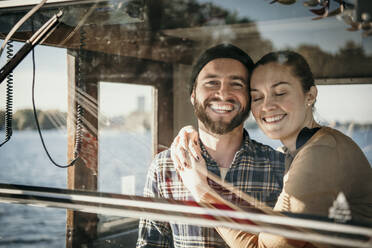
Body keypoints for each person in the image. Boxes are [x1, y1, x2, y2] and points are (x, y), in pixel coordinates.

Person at [172, 50, 372, 248]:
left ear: (310, 95)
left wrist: (202, 192)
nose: (267, 106)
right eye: (258, 97)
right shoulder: (298, 152)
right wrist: (195, 132)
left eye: (280, 93)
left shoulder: (321, 153)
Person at [136, 44, 285, 248]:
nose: (223, 94)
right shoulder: (164, 167)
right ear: (193, 95)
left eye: (236, 84)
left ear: (250, 99)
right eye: (212, 82)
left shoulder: (281, 167)